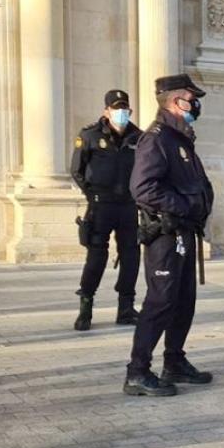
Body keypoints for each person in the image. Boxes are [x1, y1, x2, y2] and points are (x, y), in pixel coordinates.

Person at [124, 74, 215, 398]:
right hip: (165, 234)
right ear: (177, 101)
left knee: (183, 300)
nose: (196, 105)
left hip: (183, 233)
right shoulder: (157, 138)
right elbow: (143, 188)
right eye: (192, 99)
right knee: (160, 301)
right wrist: (183, 206)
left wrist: (196, 206)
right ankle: (137, 371)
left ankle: (174, 361)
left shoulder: (180, 138)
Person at [70, 89, 142, 331]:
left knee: (131, 256)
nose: (121, 112)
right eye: (116, 108)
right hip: (101, 205)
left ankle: (126, 308)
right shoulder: (90, 135)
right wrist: (92, 195)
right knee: (96, 256)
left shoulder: (138, 137)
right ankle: (86, 308)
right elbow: (77, 170)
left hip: (128, 206)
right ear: (106, 111)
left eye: (124, 108)